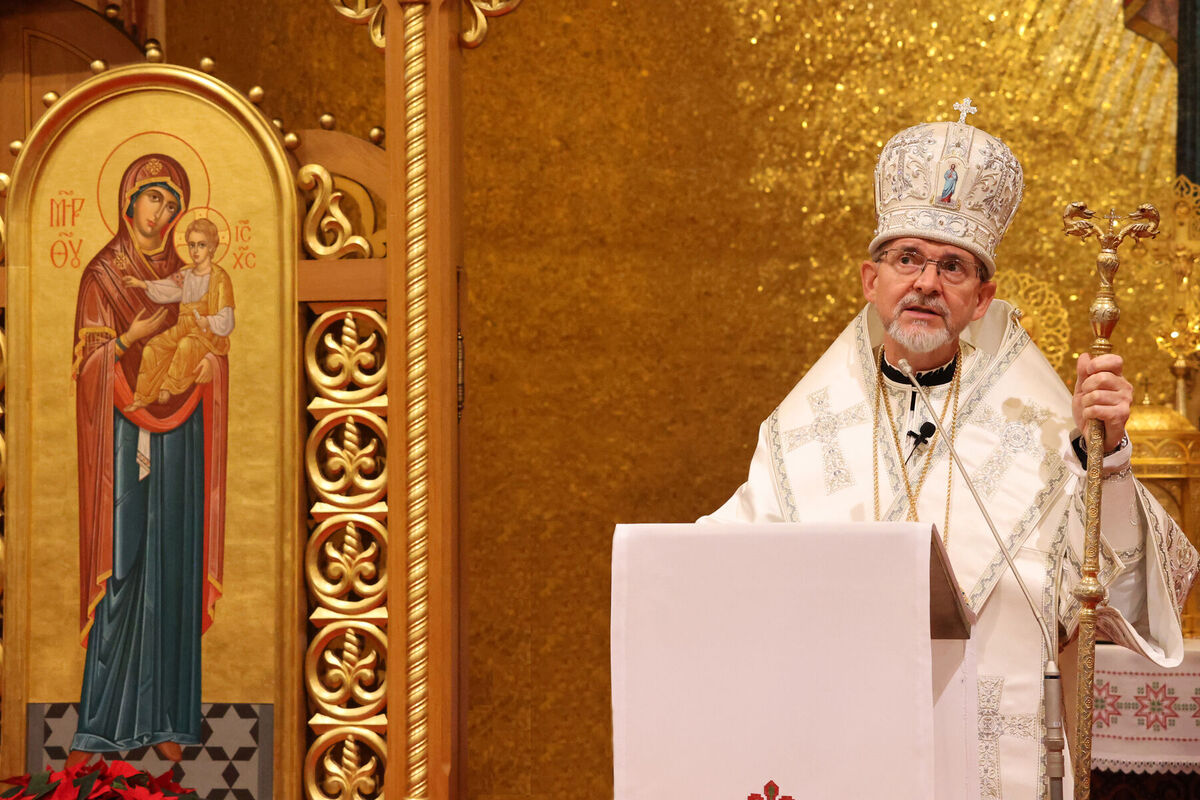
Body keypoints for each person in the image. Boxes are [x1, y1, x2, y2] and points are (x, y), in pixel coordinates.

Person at [703, 106, 1199, 798]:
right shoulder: (800, 434)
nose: (927, 283)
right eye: (907, 258)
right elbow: (721, 570)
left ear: (982, 298)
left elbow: (1126, 596)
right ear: (870, 281)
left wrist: (1106, 458)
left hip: (994, 754)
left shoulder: (1046, 434)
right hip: (839, 743)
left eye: (953, 266)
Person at [68, 153, 229, 767]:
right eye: (153, 197)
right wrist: (128, 341)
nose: (162, 212)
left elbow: (216, 339)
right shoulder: (102, 275)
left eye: (172, 202)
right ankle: (102, 725)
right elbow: (87, 366)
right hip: (120, 432)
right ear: (129, 200)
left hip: (181, 428)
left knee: (175, 562)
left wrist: (210, 363)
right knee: (126, 557)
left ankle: (169, 717)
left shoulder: (190, 270)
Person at [123, 216, 236, 411]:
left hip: (206, 334)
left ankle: (168, 387)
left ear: (211, 247)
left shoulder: (220, 278)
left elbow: (227, 318)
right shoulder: (186, 274)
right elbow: (168, 288)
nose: (195, 251)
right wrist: (143, 284)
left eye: (201, 245)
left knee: (185, 346)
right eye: (192, 245)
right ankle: (143, 397)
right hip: (183, 327)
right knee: (153, 347)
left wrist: (209, 321)